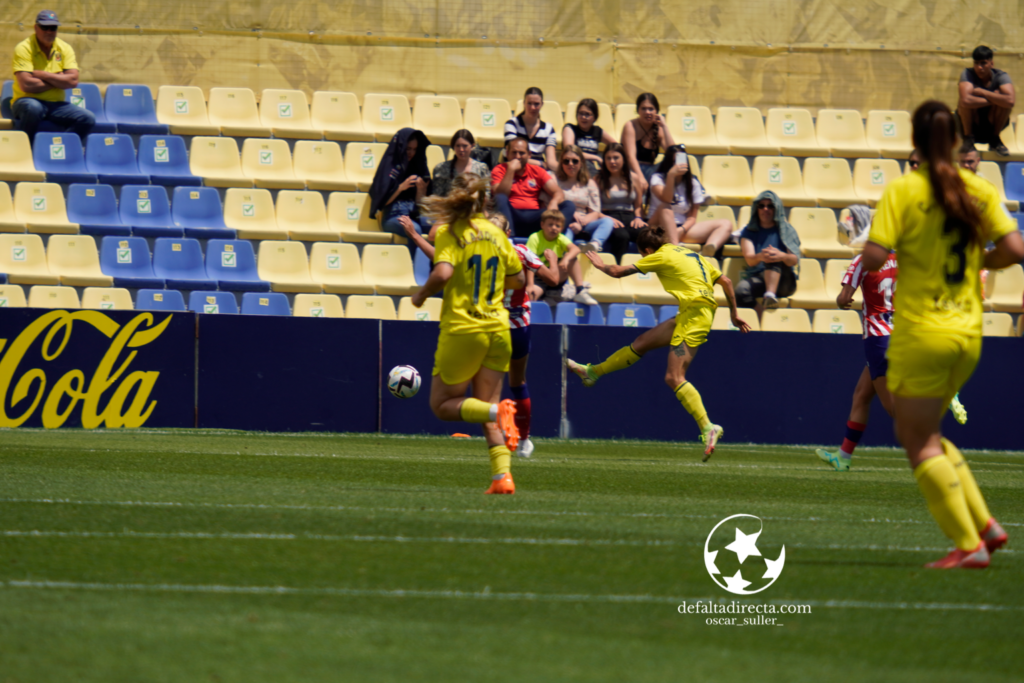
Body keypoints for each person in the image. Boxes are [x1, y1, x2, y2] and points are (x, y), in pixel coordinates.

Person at [862, 100, 1024, 568]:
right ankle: (986, 526)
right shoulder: (978, 187)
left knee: (916, 440)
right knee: (928, 431)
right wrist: (981, 259)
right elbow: (1015, 249)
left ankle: (969, 545)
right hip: (968, 333)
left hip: (923, 330)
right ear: (956, 141)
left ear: (915, 141)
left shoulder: (905, 190)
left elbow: (873, 258)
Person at [566, 226, 750, 459]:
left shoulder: (661, 255)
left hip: (694, 317)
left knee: (674, 377)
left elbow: (618, 272)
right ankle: (593, 372)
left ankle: (708, 426)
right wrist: (734, 314)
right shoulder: (690, 253)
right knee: (642, 342)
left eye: (643, 254)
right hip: (691, 313)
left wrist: (601, 265)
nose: (644, 258)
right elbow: (727, 281)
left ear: (647, 250)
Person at [410, 174, 526, 495]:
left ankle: (498, 412)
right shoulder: (497, 233)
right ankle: (502, 477)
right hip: (499, 329)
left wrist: (421, 295)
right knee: (486, 403)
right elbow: (519, 280)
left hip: (464, 329)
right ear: (485, 199)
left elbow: (442, 272)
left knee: (442, 405)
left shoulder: (450, 232)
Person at [491, 213, 559, 459]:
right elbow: (554, 279)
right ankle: (524, 440)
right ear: (508, 233)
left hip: (491, 324)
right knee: (517, 382)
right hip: (518, 323)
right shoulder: (520, 251)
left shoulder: (480, 252)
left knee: (489, 382)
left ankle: (497, 434)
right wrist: (553, 260)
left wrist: (415, 236)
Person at [10, 10, 95, 143]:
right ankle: (25, 148)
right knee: (33, 108)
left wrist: (44, 75)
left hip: (56, 104)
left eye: (53, 27)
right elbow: (26, 85)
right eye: (44, 27)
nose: (49, 31)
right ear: (36, 28)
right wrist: (58, 79)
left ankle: (60, 147)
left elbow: (73, 81)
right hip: (27, 101)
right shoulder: (24, 48)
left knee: (88, 118)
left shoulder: (64, 48)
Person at [648, 144, 733, 256]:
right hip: (658, 227)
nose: (680, 165)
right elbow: (667, 199)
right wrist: (671, 176)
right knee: (665, 207)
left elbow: (692, 217)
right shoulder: (657, 178)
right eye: (675, 162)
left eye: (682, 161)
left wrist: (681, 230)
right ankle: (675, 248)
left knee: (726, 223)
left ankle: (709, 249)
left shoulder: (693, 183)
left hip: (682, 228)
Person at [491, 136, 576, 238]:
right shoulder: (499, 169)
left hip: (535, 217)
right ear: (507, 153)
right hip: (511, 216)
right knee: (500, 197)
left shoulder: (537, 171)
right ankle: (508, 238)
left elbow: (558, 192)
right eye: (514, 152)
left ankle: (555, 238)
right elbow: (500, 194)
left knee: (568, 205)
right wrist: (511, 170)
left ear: (529, 155)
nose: (517, 156)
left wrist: (553, 203)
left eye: (521, 153)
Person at [736, 190, 801, 309]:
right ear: (757, 209)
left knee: (773, 254)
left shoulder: (787, 230)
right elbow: (750, 260)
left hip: (784, 281)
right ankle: (761, 314)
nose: (765, 209)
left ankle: (770, 294)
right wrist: (761, 256)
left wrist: (782, 256)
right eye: (761, 206)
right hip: (760, 278)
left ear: (776, 209)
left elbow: (794, 260)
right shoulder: (748, 231)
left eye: (770, 206)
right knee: (741, 291)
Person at [368, 127, 430, 240]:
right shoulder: (389, 167)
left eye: (414, 149)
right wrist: (400, 188)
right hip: (393, 215)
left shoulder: (418, 167)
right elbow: (381, 203)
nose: (411, 153)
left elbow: (420, 204)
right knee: (415, 229)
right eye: (408, 149)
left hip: (414, 213)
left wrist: (421, 190)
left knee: (441, 227)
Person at [526, 209, 598, 306]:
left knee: (571, 257)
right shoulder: (535, 238)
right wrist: (530, 285)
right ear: (542, 225)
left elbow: (576, 249)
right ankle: (546, 295)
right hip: (539, 277)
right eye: (550, 224)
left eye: (557, 226)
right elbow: (530, 262)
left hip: (556, 275)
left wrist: (565, 260)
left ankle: (580, 291)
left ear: (562, 228)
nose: (554, 228)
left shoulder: (560, 238)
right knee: (529, 298)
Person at [555, 145, 615, 252]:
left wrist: (580, 224)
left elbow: (595, 212)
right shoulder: (555, 181)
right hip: (563, 222)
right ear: (561, 163)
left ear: (581, 163)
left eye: (575, 161)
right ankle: (565, 255)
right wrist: (571, 215)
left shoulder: (589, 183)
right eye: (566, 161)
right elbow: (550, 205)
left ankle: (594, 245)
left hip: (584, 222)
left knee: (607, 221)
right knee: (566, 235)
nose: (570, 164)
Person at [957, 46, 1015, 156]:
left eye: (983, 63)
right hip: (970, 124)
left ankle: (995, 140)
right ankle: (968, 140)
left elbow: (1010, 101)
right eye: (976, 63)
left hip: (991, 125)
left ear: (991, 64)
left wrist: (983, 92)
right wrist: (995, 99)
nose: (980, 67)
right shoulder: (968, 73)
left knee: (1004, 102)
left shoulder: (1001, 76)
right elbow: (965, 101)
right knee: (963, 100)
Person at [596, 143, 648, 263]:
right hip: (608, 217)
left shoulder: (633, 178)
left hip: (629, 216)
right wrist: (607, 219)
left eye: (616, 158)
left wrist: (638, 218)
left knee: (648, 235)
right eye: (608, 158)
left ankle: (648, 268)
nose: (612, 162)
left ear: (623, 159)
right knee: (622, 236)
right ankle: (617, 268)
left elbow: (638, 205)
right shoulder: (599, 179)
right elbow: (594, 208)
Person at [620, 93, 675, 190]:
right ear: (638, 110)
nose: (647, 112)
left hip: (651, 170)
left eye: (651, 109)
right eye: (644, 109)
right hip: (632, 169)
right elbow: (630, 157)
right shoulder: (630, 125)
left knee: (678, 161)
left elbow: (674, 153)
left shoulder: (658, 128)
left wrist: (664, 126)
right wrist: (640, 177)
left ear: (656, 111)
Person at [504, 87, 558, 171]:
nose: (532, 107)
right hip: (513, 170)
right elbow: (514, 157)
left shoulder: (549, 129)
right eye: (529, 103)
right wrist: (540, 163)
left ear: (542, 104)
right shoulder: (512, 124)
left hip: (537, 172)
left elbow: (551, 162)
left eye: (536, 104)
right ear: (524, 103)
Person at [428, 129, 491, 198]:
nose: (461, 149)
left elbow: (486, 195)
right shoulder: (441, 168)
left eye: (465, 146)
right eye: (458, 146)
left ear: (472, 146)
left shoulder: (481, 168)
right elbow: (437, 196)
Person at [562, 98, 617, 175]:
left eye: (587, 114)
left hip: (592, 168)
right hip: (574, 167)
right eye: (581, 113)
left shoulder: (597, 131)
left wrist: (608, 158)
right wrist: (596, 158)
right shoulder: (570, 129)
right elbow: (570, 151)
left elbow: (616, 146)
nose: (583, 117)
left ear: (595, 117)